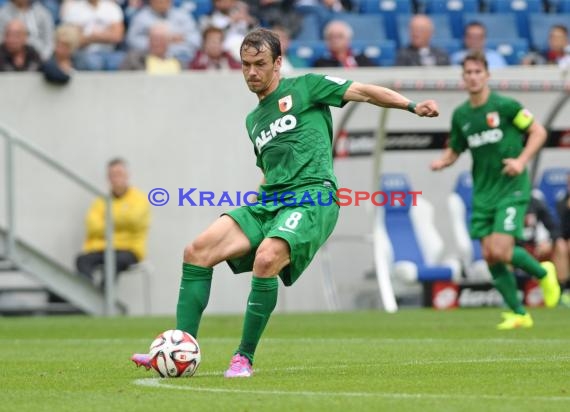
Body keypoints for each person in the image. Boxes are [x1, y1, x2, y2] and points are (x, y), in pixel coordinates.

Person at [131, 27, 439, 377]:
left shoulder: (307, 86)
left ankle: (243, 357)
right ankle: (177, 348)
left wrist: (412, 106)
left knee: (266, 259)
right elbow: (269, 171)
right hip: (270, 202)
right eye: (246, 65)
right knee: (197, 251)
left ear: (278, 62)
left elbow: (365, 92)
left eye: (259, 64)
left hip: (313, 197)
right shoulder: (254, 120)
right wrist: (252, 210)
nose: (251, 72)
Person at [430, 51, 560, 330]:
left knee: (501, 249)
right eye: (468, 72)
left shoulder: (505, 106)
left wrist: (521, 161)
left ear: (487, 75)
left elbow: (539, 132)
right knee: (490, 254)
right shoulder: (462, 115)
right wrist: (444, 161)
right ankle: (519, 313)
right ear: (463, 77)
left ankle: (543, 271)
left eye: (478, 72)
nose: (473, 77)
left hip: (511, 187)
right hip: (483, 192)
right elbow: (456, 147)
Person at [76, 158, 150, 288]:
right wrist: (122, 220)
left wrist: (107, 219)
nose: (116, 178)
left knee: (113, 262)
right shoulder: (101, 201)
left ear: (127, 175)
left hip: (128, 250)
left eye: (119, 174)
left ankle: (103, 299)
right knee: (82, 260)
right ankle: (89, 295)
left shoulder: (139, 199)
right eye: (112, 175)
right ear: (108, 178)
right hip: (102, 248)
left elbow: (134, 220)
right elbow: (92, 226)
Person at [518, 191, 568, 293]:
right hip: (516, 249)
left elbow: (554, 229)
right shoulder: (505, 203)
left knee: (560, 244)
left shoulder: (536, 203)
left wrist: (548, 242)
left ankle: (562, 291)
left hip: (536, 248)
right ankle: (511, 293)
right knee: (504, 249)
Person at [60, 0, 125, 71]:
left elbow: (117, 36)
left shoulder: (112, 7)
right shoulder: (75, 9)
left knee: (123, 60)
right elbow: (74, 39)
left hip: (110, 53)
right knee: (93, 63)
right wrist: (107, 33)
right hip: (84, 53)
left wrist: (90, 36)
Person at [556, 171, 570, 297]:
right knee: (560, 246)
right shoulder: (562, 199)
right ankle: (564, 290)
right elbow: (560, 227)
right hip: (564, 238)